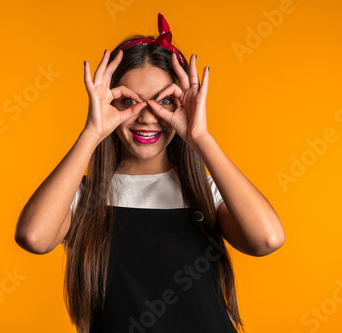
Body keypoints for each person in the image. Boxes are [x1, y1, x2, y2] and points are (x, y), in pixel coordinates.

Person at [14, 13, 285, 333]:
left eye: (164, 101)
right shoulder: (82, 197)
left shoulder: (205, 194)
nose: (146, 117)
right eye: (129, 100)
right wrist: (92, 132)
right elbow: (33, 237)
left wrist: (200, 137)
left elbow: (268, 239)